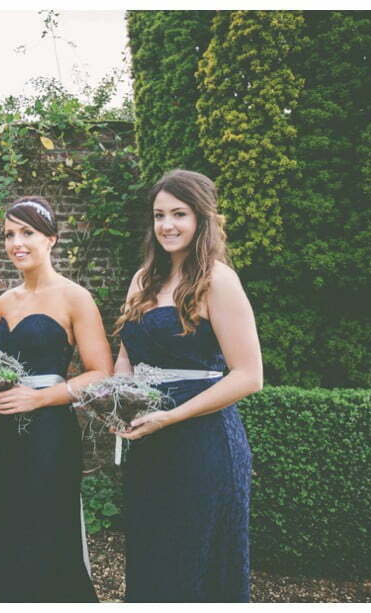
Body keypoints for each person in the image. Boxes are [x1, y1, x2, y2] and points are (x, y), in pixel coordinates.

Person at [114, 169, 262, 602]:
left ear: (202, 218)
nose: (167, 225)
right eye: (159, 215)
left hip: (203, 446)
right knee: (153, 561)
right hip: (150, 446)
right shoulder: (143, 279)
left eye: (179, 214)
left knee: (193, 565)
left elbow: (249, 375)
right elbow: (126, 356)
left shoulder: (218, 280)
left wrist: (172, 416)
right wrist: (117, 402)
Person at [0, 195, 111, 602]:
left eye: (27, 233)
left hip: (50, 433)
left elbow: (101, 373)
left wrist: (39, 399)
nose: (16, 243)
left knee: (47, 527)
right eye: (9, 235)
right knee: (5, 524)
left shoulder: (75, 297)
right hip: (6, 434)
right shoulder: (5, 301)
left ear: (51, 239)